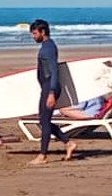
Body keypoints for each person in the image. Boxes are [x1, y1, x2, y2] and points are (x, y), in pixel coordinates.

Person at [29, 19, 76, 165]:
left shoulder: (48, 48)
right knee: (44, 121)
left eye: (34, 33)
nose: (33, 36)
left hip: (50, 87)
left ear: (43, 32)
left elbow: (55, 71)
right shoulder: (47, 46)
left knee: (44, 121)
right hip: (47, 86)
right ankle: (68, 143)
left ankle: (42, 156)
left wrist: (51, 92)